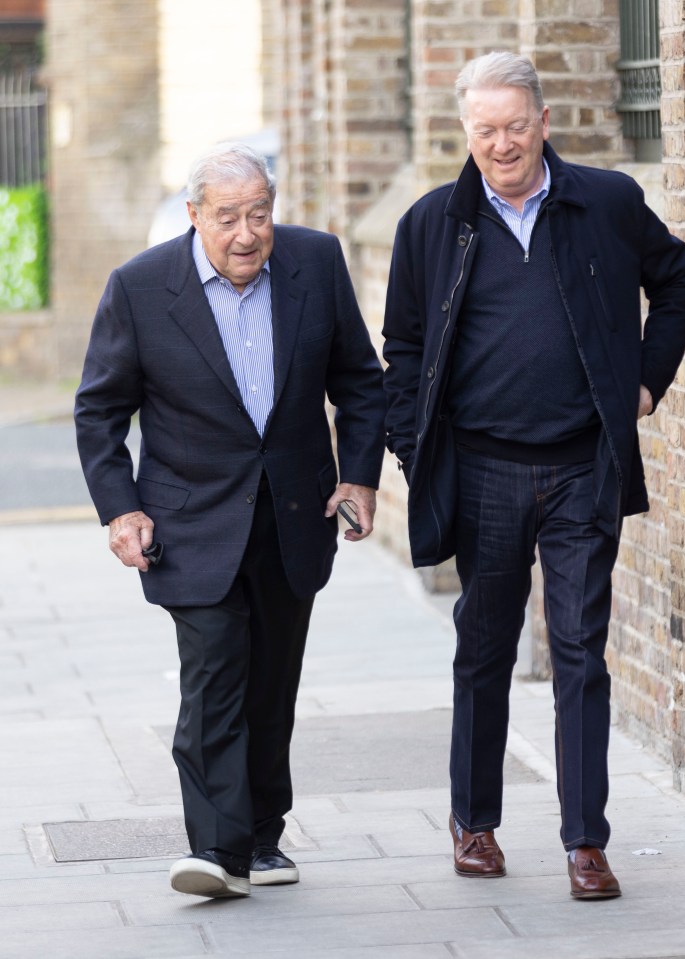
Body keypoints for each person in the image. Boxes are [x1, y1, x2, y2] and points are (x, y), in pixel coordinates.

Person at [382, 51, 685, 899]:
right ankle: (475, 824)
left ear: (543, 123)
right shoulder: (431, 223)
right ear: (466, 131)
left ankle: (585, 841)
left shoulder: (604, 202)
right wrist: (420, 454)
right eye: (484, 130)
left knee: (579, 654)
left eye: (514, 127)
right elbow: (404, 352)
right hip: (482, 469)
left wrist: (645, 380)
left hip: (578, 469)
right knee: (483, 651)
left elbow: (680, 283)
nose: (500, 145)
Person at [75, 142, 385, 899]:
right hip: (188, 522)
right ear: (193, 217)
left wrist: (359, 475)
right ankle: (217, 849)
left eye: (259, 214)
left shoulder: (315, 262)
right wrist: (121, 508)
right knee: (214, 675)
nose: (246, 233)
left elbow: (359, 381)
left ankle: (263, 836)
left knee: (271, 683)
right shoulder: (142, 287)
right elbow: (100, 408)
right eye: (227, 217)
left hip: (292, 513)